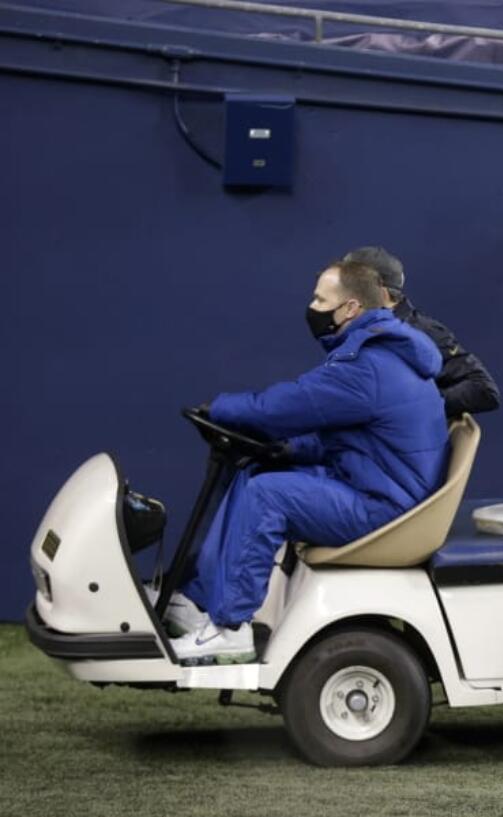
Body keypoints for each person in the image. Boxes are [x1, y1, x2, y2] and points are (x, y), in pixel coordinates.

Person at [165, 259, 450, 664]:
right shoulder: (382, 351)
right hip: (379, 487)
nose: (312, 306)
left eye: (321, 299)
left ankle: (230, 628)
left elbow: (280, 408)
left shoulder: (365, 367)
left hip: (385, 508)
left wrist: (220, 408)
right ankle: (201, 601)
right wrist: (291, 451)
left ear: (350, 308)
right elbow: (356, 440)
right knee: (258, 471)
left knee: (268, 495)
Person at [343, 246, 500, 419]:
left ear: (381, 291)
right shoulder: (351, 329)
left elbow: (483, 389)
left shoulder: (422, 333)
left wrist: (414, 407)